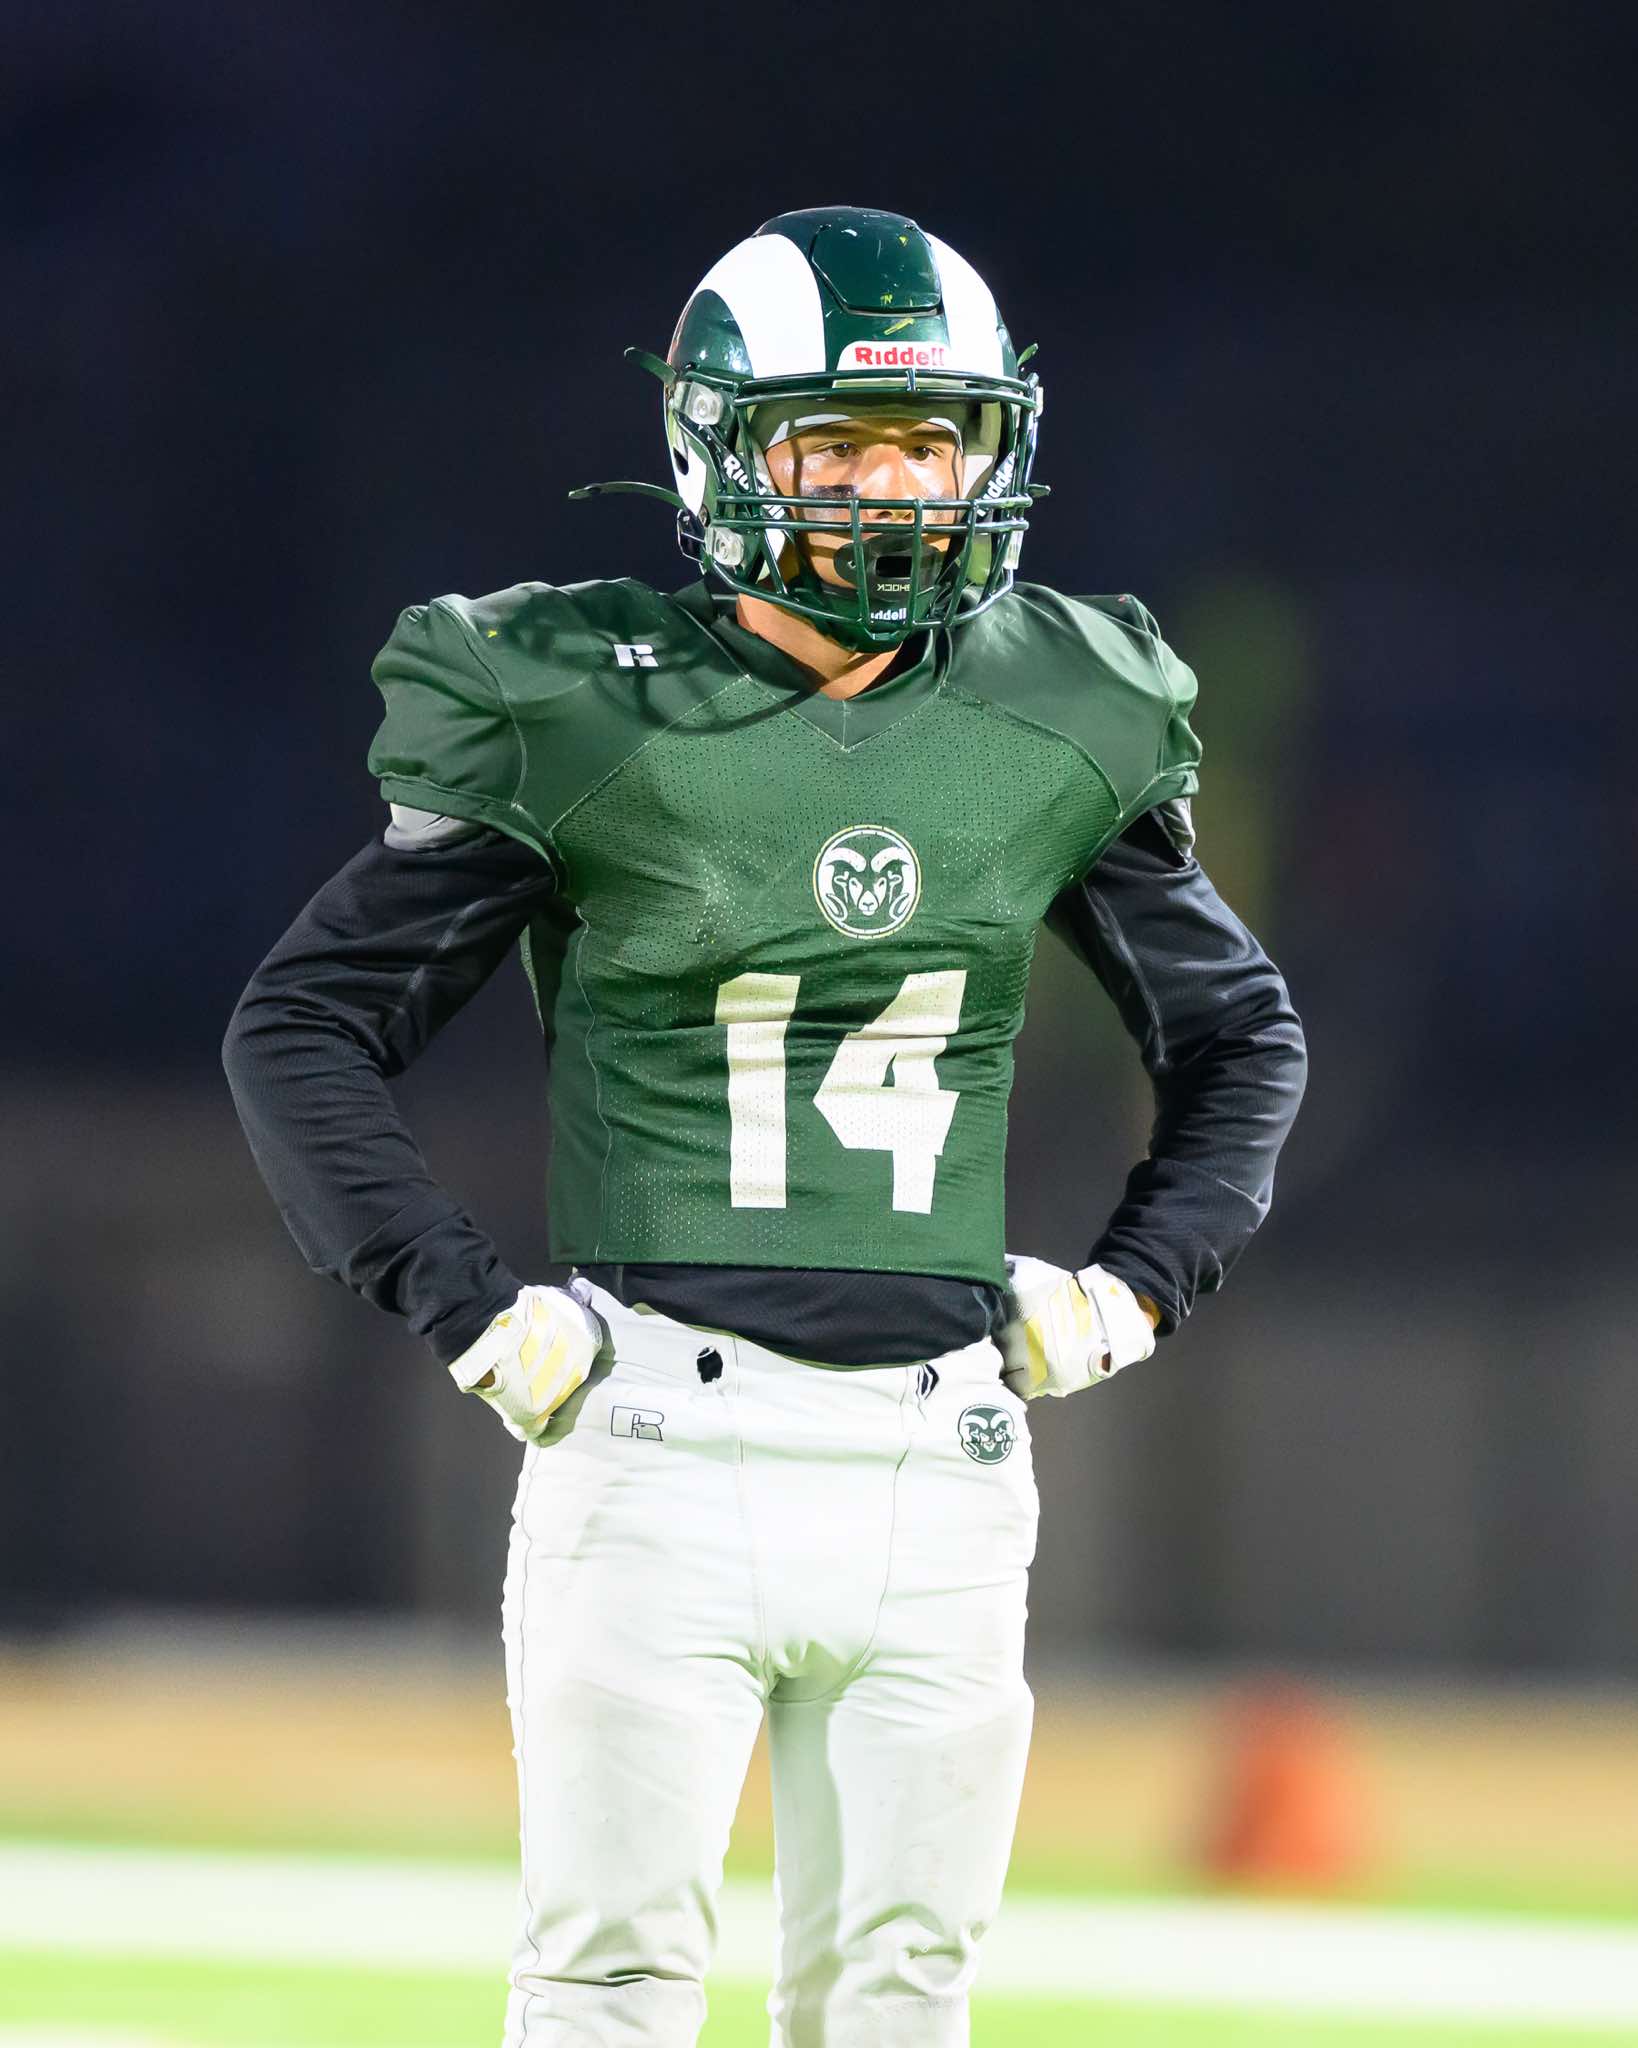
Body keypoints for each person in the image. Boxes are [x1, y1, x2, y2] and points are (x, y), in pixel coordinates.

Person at [223, 204, 1307, 2048]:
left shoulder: (1061, 704)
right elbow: (302, 1024)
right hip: (657, 1436)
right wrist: (463, 1303)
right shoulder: (580, 702)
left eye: (931, 440)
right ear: (721, 452)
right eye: (838, 440)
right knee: (611, 1991)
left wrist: (1136, 1287)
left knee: (900, 2003)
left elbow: (1238, 1032)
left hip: (943, 1457)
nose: (894, 486)